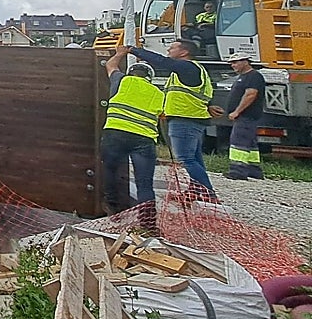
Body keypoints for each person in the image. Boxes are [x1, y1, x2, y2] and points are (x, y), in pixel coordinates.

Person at [121, 39, 224, 201]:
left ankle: (208, 194)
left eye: (173, 47)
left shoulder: (186, 67)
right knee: (194, 158)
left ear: (184, 52)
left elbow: (162, 61)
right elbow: (196, 94)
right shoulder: (192, 70)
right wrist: (209, 105)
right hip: (193, 118)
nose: (169, 50)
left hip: (185, 119)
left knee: (186, 159)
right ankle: (195, 191)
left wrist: (133, 50)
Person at [100, 48, 164, 228]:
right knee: (144, 183)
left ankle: (113, 208)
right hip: (144, 140)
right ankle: (148, 223)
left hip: (115, 134)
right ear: (149, 78)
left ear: (131, 72)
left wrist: (121, 53)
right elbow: (164, 115)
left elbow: (110, 65)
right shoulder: (158, 93)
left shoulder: (121, 80)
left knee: (110, 171)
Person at [224, 52, 266, 180]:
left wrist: (237, 111)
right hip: (246, 117)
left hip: (246, 116)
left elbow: (250, 95)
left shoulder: (253, 76)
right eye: (231, 63)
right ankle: (254, 170)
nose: (232, 65)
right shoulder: (244, 77)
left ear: (245, 62)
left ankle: (238, 171)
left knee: (239, 143)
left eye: (235, 62)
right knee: (250, 144)